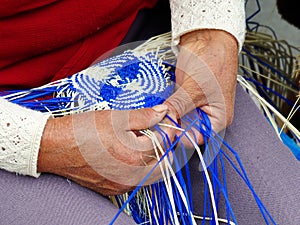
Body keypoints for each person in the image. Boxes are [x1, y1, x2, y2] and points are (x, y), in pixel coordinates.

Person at [0, 0, 299, 224]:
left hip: (148, 46)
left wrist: (208, 27)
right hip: (14, 104)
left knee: (287, 211)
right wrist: (40, 143)